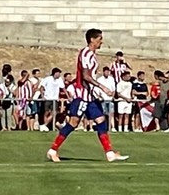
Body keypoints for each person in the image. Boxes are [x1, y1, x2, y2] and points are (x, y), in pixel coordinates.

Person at [46, 29, 128, 162]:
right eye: (100, 39)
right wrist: (102, 87)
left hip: (89, 96)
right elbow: (86, 76)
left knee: (101, 120)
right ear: (92, 40)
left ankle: (109, 153)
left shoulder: (91, 55)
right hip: (82, 96)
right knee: (73, 123)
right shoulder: (86, 54)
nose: (101, 42)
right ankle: (53, 150)